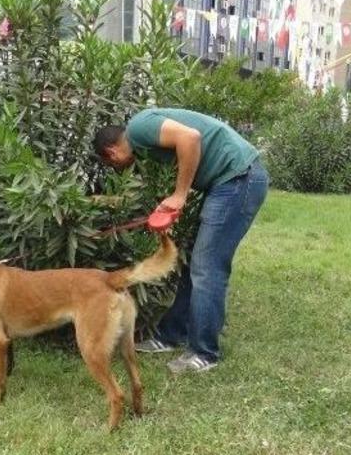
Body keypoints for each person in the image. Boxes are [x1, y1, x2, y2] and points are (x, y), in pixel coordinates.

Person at [94, 108, 269, 374]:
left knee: (207, 267)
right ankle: (171, 336)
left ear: (111, 153)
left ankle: (204, 353)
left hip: (239, 179)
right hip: (227, 183)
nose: (118, 168)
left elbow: (190, 138)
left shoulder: (138, 128)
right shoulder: (143, 141)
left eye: (112, 165)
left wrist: (179, 195)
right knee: (195, 264)